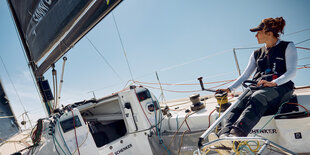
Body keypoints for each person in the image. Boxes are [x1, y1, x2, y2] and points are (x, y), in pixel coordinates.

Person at [209, 17, 298, 150]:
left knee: (258, 96)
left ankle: (236, 136)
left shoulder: (287, 46)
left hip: (282, 87)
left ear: (269, 33)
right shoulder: (256, 53)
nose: (255, 35)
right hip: (259, 87)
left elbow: (291, 72)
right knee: (239, 101)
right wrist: (229, 89)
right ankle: (223, 138)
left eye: (258, 32)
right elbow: (245, 75)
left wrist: (274, 82)